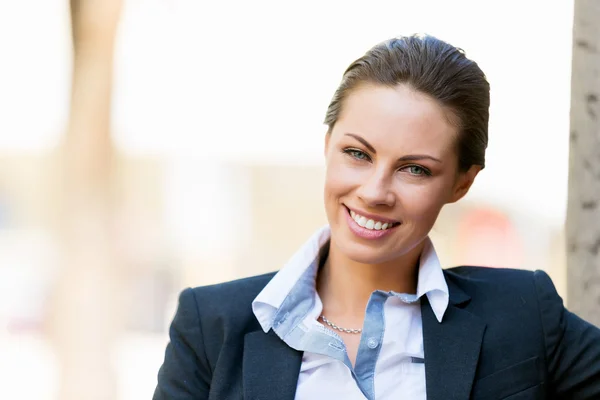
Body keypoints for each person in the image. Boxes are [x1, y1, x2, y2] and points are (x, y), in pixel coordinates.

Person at [153, 35, 600, 400]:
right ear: (328, 145)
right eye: (357, 153)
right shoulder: (211, 325)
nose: (374, 192)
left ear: (462, 183)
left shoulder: (524, 314)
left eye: (415, 169)